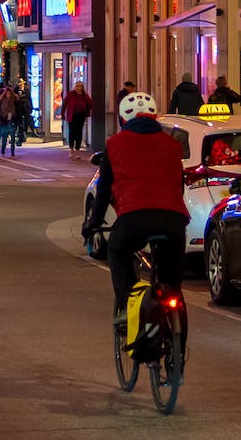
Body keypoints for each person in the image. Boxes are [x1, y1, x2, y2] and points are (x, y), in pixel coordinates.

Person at [82, 91, 186, 327]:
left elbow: (103, 191)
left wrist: (92, 224)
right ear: (156, 117)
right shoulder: (172, 145)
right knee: (172, 283)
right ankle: (175, 340)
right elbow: (177, 185)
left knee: (118, 251)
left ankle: (127, 303)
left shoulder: (115, 144)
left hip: (133, 218)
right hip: (172, 219)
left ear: (122, 120)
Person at [63, 82, 93, 154]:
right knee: (72, 131)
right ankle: (71, 148)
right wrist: (63, 114)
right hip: (72, 115)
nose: (77, 88)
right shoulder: (71, 94)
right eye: (76, 86)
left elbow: (90, 104)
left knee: (79, 131)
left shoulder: (85, 95)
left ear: (82, 87)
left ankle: (77, 148)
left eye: (79, 86)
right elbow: (64, 104)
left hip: (81, 115)